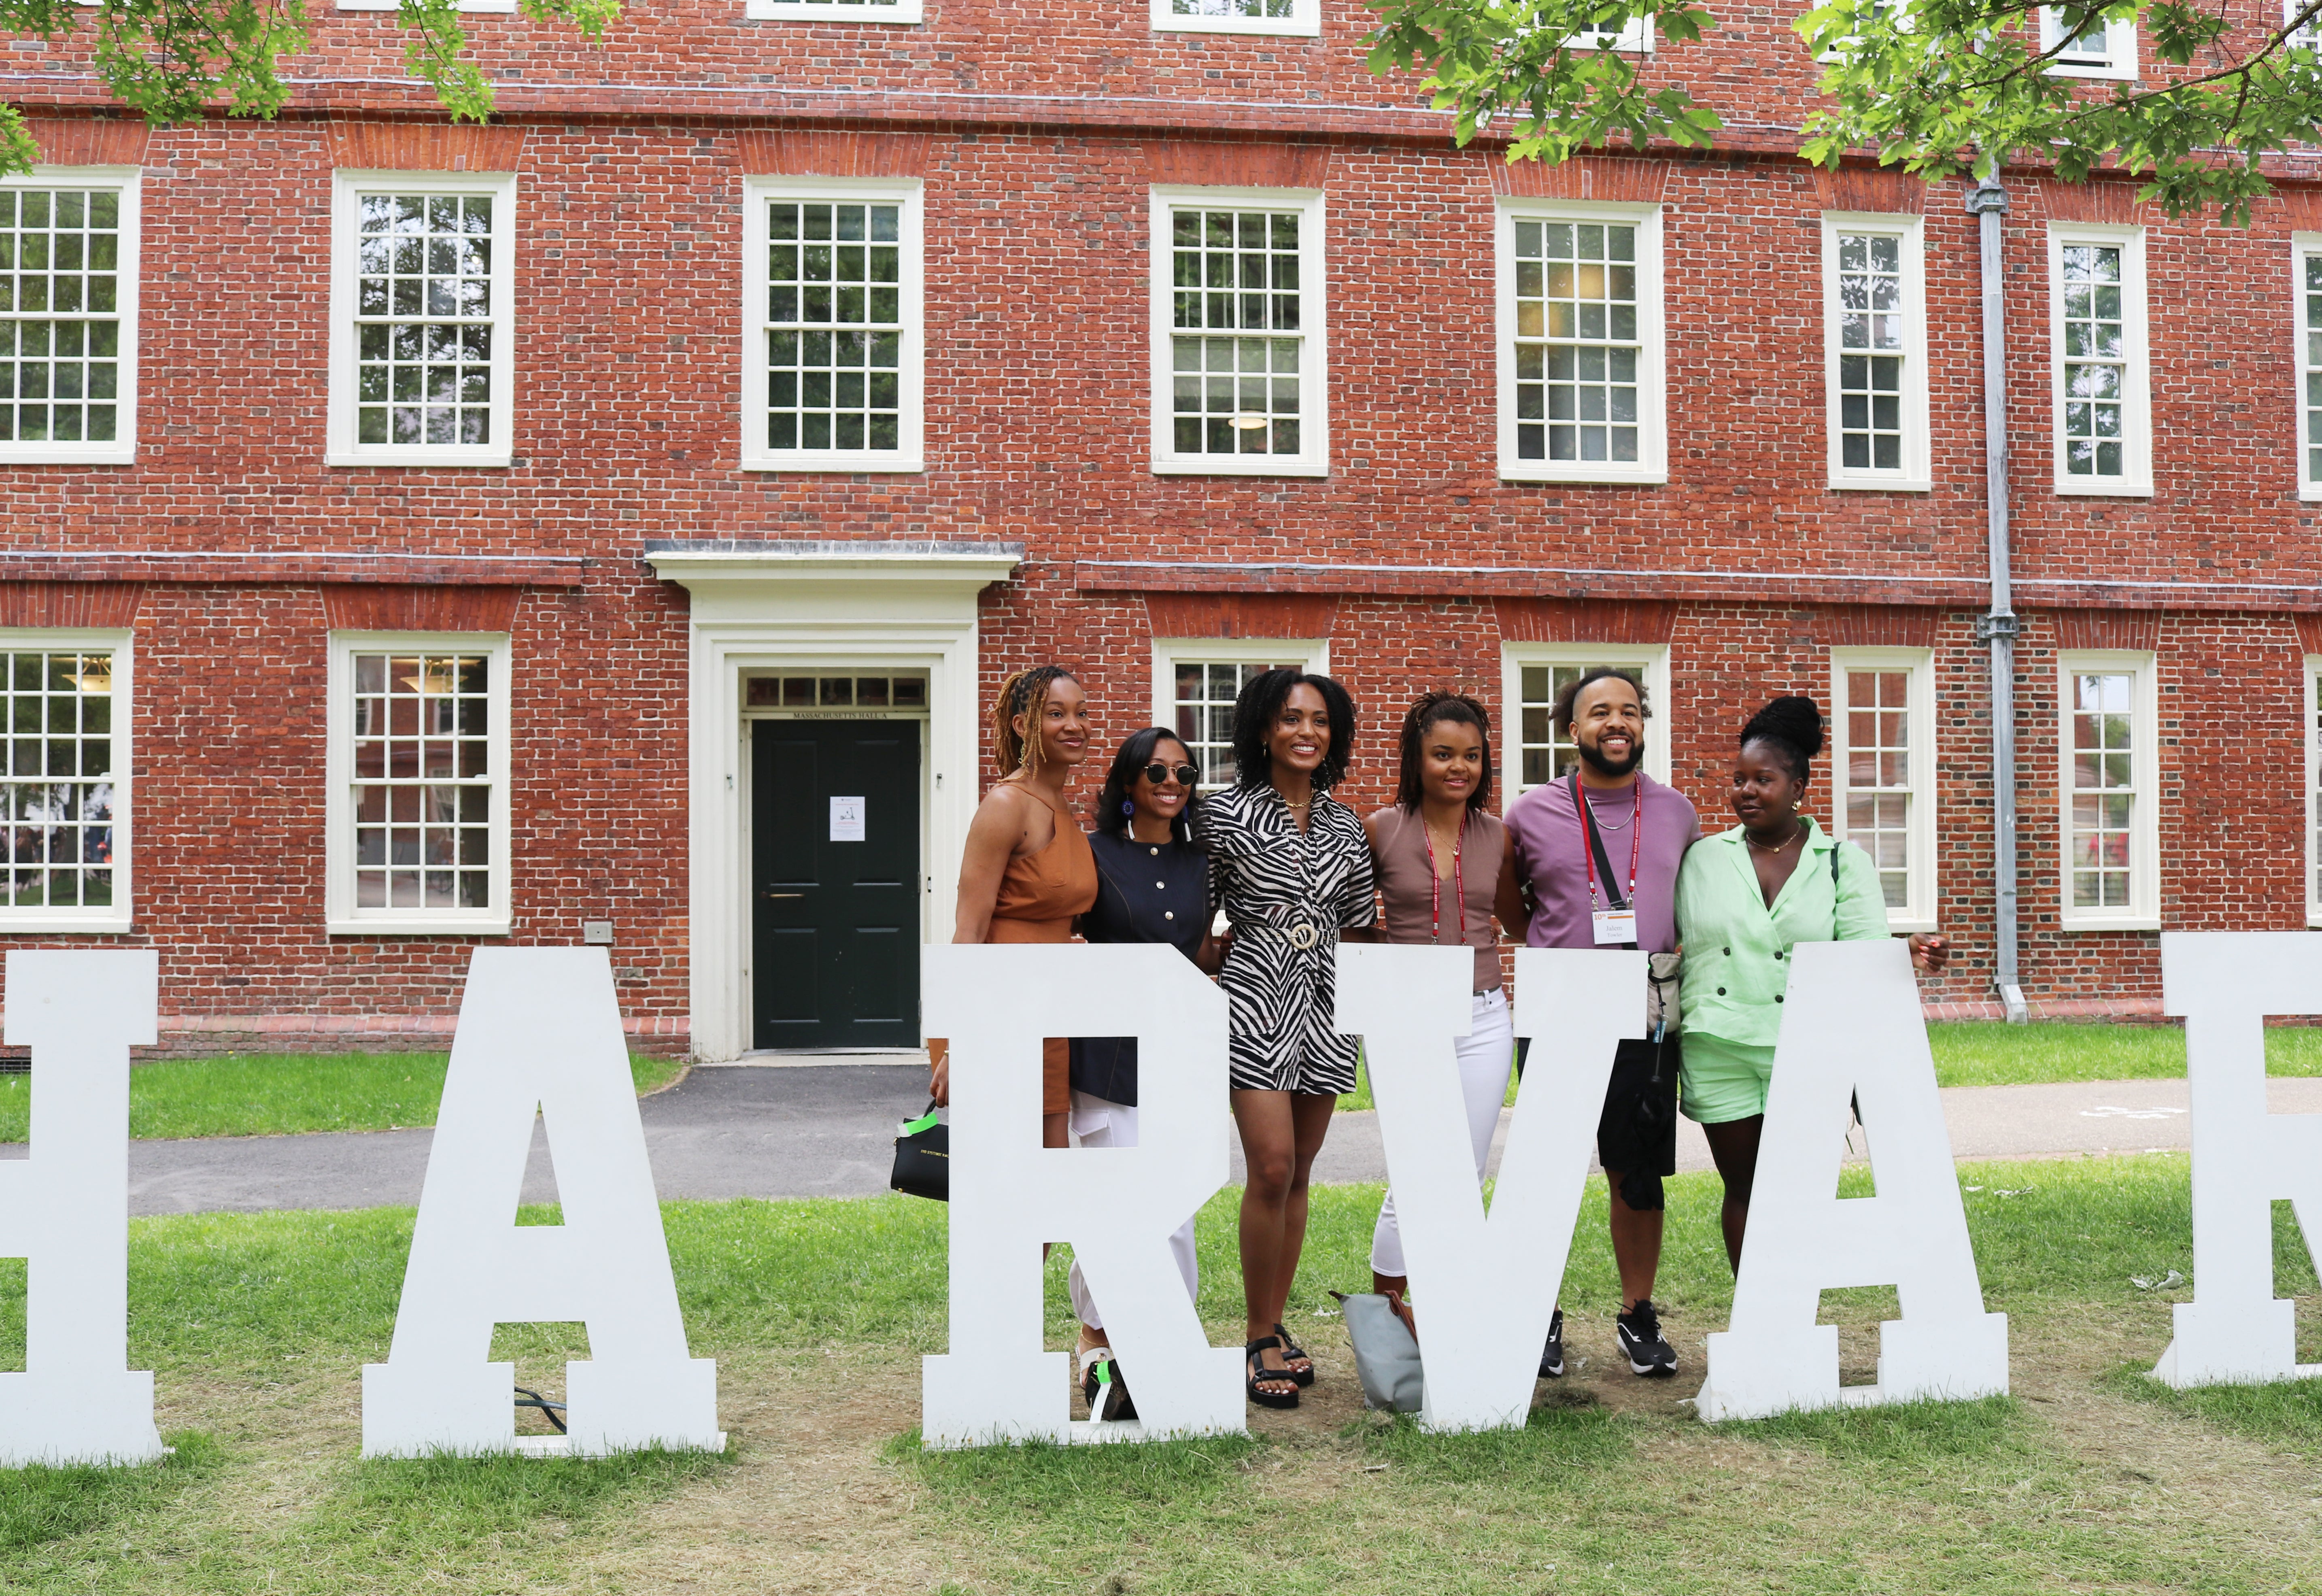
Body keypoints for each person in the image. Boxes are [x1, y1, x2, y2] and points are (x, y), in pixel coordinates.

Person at [1675, 696, 1950, 1271]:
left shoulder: (1841, 862)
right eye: (1739, 779)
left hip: (1808, 1049)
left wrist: (1906, 951)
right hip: (1718, 1045)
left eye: (1764, 779)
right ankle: (1758, 1323)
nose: (1746, 790)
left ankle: (1790, 1320)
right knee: (1745, 1188)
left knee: (1799, 1194)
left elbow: (1864, 958)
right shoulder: (1702, 859)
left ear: (1798, 784)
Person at [1501, 667, 1698, 1380]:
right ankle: (1538, 1312)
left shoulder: (1676, 811)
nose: (1616, 723)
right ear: (1571, 728)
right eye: (1598, 713)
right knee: (1546, 1169)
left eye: (1629, 711)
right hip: (1558, 1007)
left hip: (1644, 1012)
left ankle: (1636, 1312)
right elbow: (1510, 907)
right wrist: (1561, 944)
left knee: (1637, 1169)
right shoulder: (1528, 813)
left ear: (1641, 724)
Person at [1205, 668, 1376, 1409]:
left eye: (1319, 720)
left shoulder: (1346, 824)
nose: (1306, 731)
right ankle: (1253, 1332)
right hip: (1254, 992)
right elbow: (1193, 911)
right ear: (1263, 730)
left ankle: (1276, 1321)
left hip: (1329, 995)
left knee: (1303, 1167)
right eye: (1290, 719)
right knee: (1270, 1166)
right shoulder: (1223, 815)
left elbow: (1363, 917)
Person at [1064, 728, 1219, 1422]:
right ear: (1128, 781)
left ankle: (1165, 1343)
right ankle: (1096, 1338)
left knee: (1174, 1209)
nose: (1171, 782)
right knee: (1110, 1197)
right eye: (1156, 770)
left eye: (1184, 773)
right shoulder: (1091, 853)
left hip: (1178, 1050)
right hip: (1106, 1054)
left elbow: (1202, 947)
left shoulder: (1202, 860)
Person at [1362, 692, 1524, 1331]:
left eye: (1472, 756)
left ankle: (1450, 1302)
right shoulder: (1380, 827)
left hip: (1485, 1017)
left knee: (1465, 1168)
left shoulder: (1498, 836)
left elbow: (1517, 919)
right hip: (1405, 1021)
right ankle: (1391, 1311)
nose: (1459, 767)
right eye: (1443, 754)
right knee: (1415, 1169)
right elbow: (1353, 926)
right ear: (1416, 757)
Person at [928, 665, 1096, 1157]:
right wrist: (959, 1044)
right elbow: (969, 931)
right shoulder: (1005, 804)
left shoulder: (1061, 805)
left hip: (1051, 1007)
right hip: (997, 1011)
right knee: (1007, 1172)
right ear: (1023, 726)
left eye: (1081, 713)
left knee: (1048, 1169)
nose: (1075, 725)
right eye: (1056, 713)